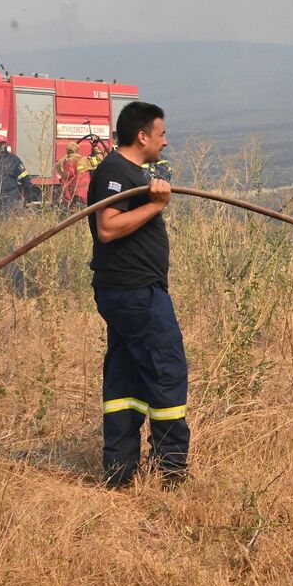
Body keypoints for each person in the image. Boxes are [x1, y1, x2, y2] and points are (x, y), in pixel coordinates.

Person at [87, 101, 189, 489]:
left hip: (129, 293)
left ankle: (120, 471)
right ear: (142, 136)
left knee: (126, 378)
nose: (165, 141)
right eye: (161, 134)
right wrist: (157, 203)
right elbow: (108, 228)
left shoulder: (131, 172)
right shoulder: (115, 170)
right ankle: (171, 473)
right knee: (166, 370)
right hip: (136, 294)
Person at [57, 142, 85, 207]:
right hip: (84, 190)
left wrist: (62, 178)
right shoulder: (82, 159)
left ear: (68, 150)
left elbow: (69, 175)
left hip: (75, 190)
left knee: (71, 211)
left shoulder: (70, 160)